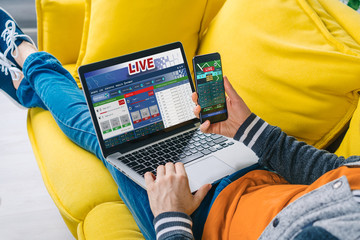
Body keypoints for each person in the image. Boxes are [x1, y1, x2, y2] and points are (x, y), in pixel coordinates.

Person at [1, 7, 360, 240]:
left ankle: (26, 56)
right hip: (260, 173)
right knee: (149, 134)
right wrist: (247, 129)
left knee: (106, 136)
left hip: (201, 218)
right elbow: (337, 171)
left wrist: (172, 214)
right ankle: (31, 84)